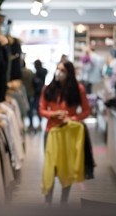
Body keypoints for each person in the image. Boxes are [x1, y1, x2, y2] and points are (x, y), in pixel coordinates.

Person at [39, 60, 91, 207]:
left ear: (69, 73)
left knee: (66, 169)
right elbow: (41, 109)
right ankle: (48, 202)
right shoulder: (48, 89)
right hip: (51, 133)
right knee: (51, 167)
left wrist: (72, 118)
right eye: (57, 69)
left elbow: (87, 110)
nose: (58, 72)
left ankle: (63, 203)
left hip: (69, 133)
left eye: (62, 70)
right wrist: (53, 114)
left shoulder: (78, 89)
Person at [33, 59, 47, 131]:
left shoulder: (40, 72)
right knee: (38, 108)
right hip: (39, 92)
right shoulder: (41, 72)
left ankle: (40, 123)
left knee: (39, 108)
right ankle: (40, 123)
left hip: (39, 93)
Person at [21, 60, 35, 132]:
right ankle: (31, 124)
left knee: (23, 110)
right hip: (30, 93)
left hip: (23, 94)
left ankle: (23, 125)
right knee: (30, 110)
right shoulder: (30, 72)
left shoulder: (20, 73)